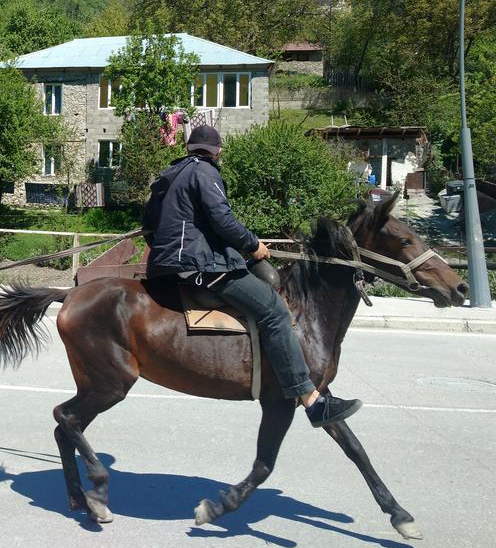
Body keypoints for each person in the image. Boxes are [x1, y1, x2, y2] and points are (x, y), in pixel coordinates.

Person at [143, 124, 361, 427]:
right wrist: (253, 245)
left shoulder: (167, 177)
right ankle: (311, 400)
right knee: (273, 310)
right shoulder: (206, 173)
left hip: (169, 265)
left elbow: (149, 227)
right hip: (202, 265)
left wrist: (169, 256)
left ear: (188, 148)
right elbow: (222, 219)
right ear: (217, 151)